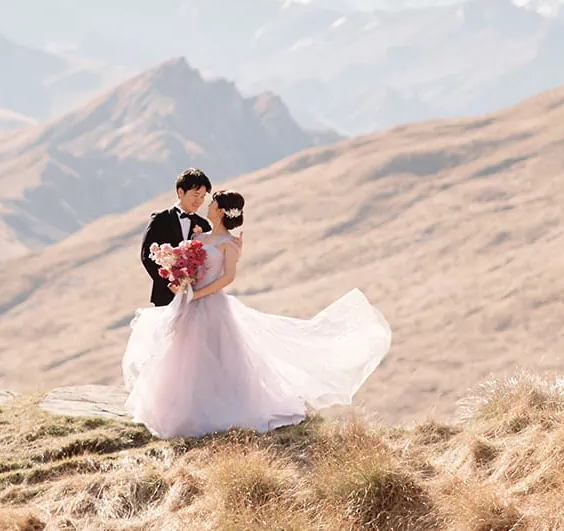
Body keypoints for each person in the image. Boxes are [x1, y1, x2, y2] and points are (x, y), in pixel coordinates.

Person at [122, 188, 392, 439]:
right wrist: (180, 281)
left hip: (212, 304)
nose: (208, 205)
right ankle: (179, 405)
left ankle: (216, 408)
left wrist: (198, 294)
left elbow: (227, 278)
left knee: (215, 356)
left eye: (212, 203)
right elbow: (191, 266)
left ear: (220, 211)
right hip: (188, 303)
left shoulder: (229, 244)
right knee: (182, 356)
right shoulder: (199, 236)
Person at [139, 168, 213, 307]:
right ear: (180, 192)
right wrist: (170, 284)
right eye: (196, 195)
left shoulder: (204, 225)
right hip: (166, 297)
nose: (199, 201)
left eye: (203, 196)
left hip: (197, 297)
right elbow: (146, 256)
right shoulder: (160, 219)